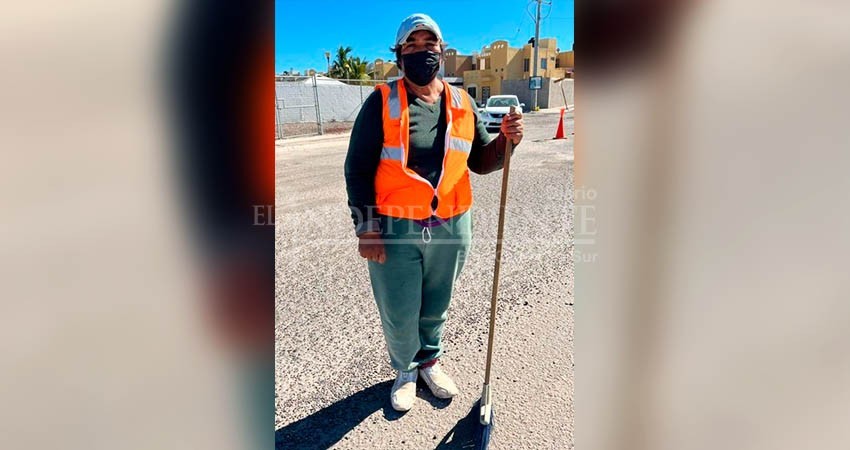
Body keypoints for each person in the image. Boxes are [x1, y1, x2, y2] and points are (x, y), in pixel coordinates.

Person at [344, 13, 523, 412]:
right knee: (399, 305)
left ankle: (429, 362)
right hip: (396, 226)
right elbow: (356, 168)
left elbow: (481, 160)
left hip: (451, 224)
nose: (421, 52)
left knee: (437, 303)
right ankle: (405, 370)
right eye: (412, 45)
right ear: (399, 54)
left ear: (441, 53)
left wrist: (507, 141)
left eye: (429, 45)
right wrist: (366, 228)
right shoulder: (381, 102)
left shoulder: (462, 102)